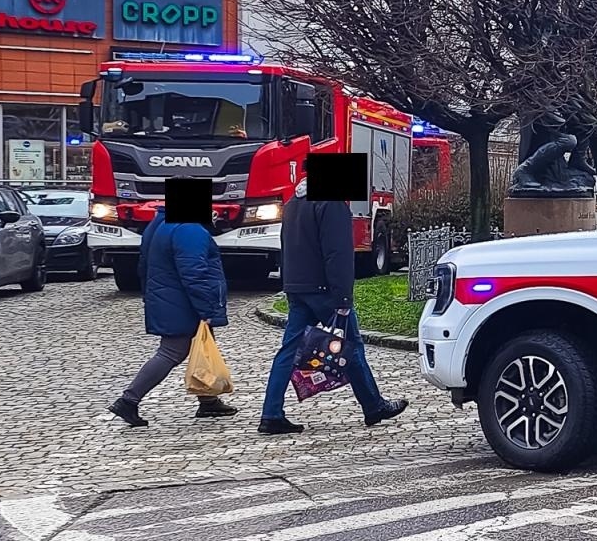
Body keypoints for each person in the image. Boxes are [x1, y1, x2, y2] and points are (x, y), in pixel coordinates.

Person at [258, 178, 407, 434]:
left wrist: (289, 284)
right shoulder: (331, 204)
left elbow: (286, 245)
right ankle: (373, 405)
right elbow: (338, 254)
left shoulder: (294, 203)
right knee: (351, 345)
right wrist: (343, 299)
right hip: (324, 290)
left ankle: (271, 412)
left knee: (288, 351)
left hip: (298, 287)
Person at [108, 208, 237, 426]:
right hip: (182, 301)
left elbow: (144, 264)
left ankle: (208, 398)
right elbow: (194, 273)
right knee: (171, 351)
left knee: (203, 347)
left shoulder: (163, 224)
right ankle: (128, 400)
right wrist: (207, 310)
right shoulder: (189, 230)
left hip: (168, 297)